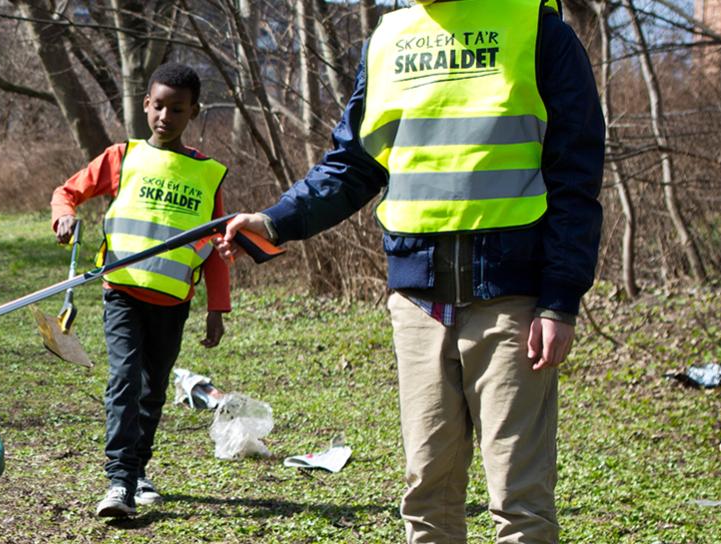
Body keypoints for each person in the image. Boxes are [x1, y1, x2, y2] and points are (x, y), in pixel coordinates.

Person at [219, 1, 602, 541]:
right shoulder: (390, 37)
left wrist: (560, 299)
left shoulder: (538, 30)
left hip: (513, 300)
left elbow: (575, 177)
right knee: (426, 495)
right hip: (419, 303)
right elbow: (354, 163)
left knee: (520, 501)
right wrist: (276, 220)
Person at [50, 62, 231, 518]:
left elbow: (215, 247)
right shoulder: (122, 157)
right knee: (124, 380)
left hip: (173, 303)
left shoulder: (208, 175)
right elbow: (66, 193)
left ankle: (137, 470)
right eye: (158, 106)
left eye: (177, 109)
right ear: (146, 105)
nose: (164, 117)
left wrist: (217, 308)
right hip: (122, 293)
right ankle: (118, 481)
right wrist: (65, 216)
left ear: (193, 112)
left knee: (152, 392)